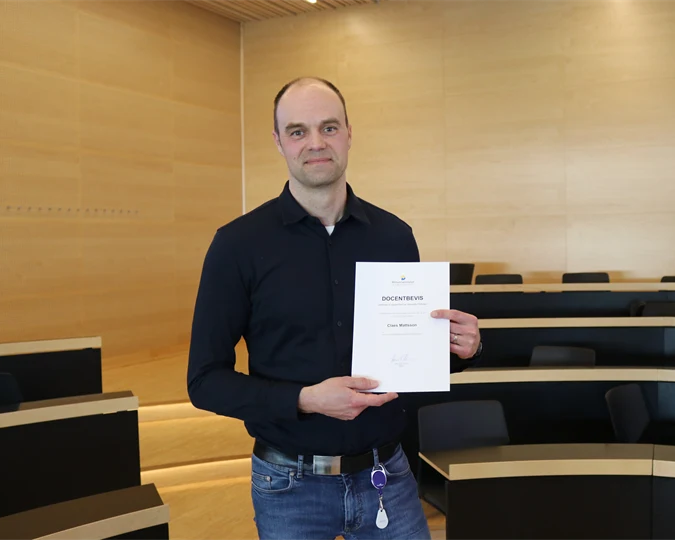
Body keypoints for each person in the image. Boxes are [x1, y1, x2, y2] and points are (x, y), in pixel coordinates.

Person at [187, 77, 482, 540]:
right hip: (288, 485)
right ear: (279, 142)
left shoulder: (394, 236)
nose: (316, 142)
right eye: (298, 131)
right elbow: (204, 381)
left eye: (328, 127)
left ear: (348, 134)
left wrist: (457, 350)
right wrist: (305, 399)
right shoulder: (237, 245)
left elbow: (406, 362)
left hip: (389, 477)